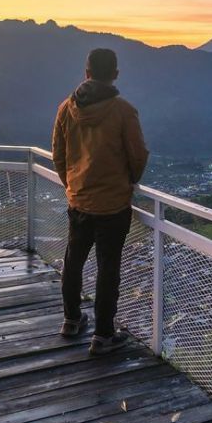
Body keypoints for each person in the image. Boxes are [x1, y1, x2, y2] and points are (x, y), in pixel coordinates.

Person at [52, 48, 149, 355]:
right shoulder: (124, 111)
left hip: (79, 200)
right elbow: (137, 155)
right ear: (115, 75)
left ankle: (71, 319)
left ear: (87, 72)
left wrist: (72, 184)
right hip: (113, 205)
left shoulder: (66, 109)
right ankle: (103, 335)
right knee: (108, 269)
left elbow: (59, 153)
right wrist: (128, 181)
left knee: (73, 261)